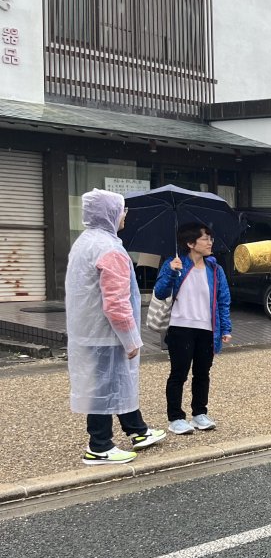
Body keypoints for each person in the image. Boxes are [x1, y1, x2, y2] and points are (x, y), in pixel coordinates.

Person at [66, 189, 167, 464]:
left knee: (115, 383)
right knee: (103, 387)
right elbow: (116, 303)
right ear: (110, 213)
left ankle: (138, 431)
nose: (125, 215)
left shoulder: (85, 242)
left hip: (89, 330)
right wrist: (131, 338)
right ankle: (99, 446)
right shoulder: (110, 249)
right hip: (107, 332)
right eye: (122, 209)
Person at [154, 224, 232, 434]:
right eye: (205, 239)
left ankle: (200, 414)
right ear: (190, 243)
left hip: (207, 329)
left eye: (210, 239)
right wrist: (171, 271)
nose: (210, 243)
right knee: (179, 373)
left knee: (202, 373)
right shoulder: (175, 264)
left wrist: (225, 328)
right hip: (180, 328)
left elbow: (223, 300)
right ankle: (175, 418)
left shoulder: (215, 269)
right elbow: (160, 293)